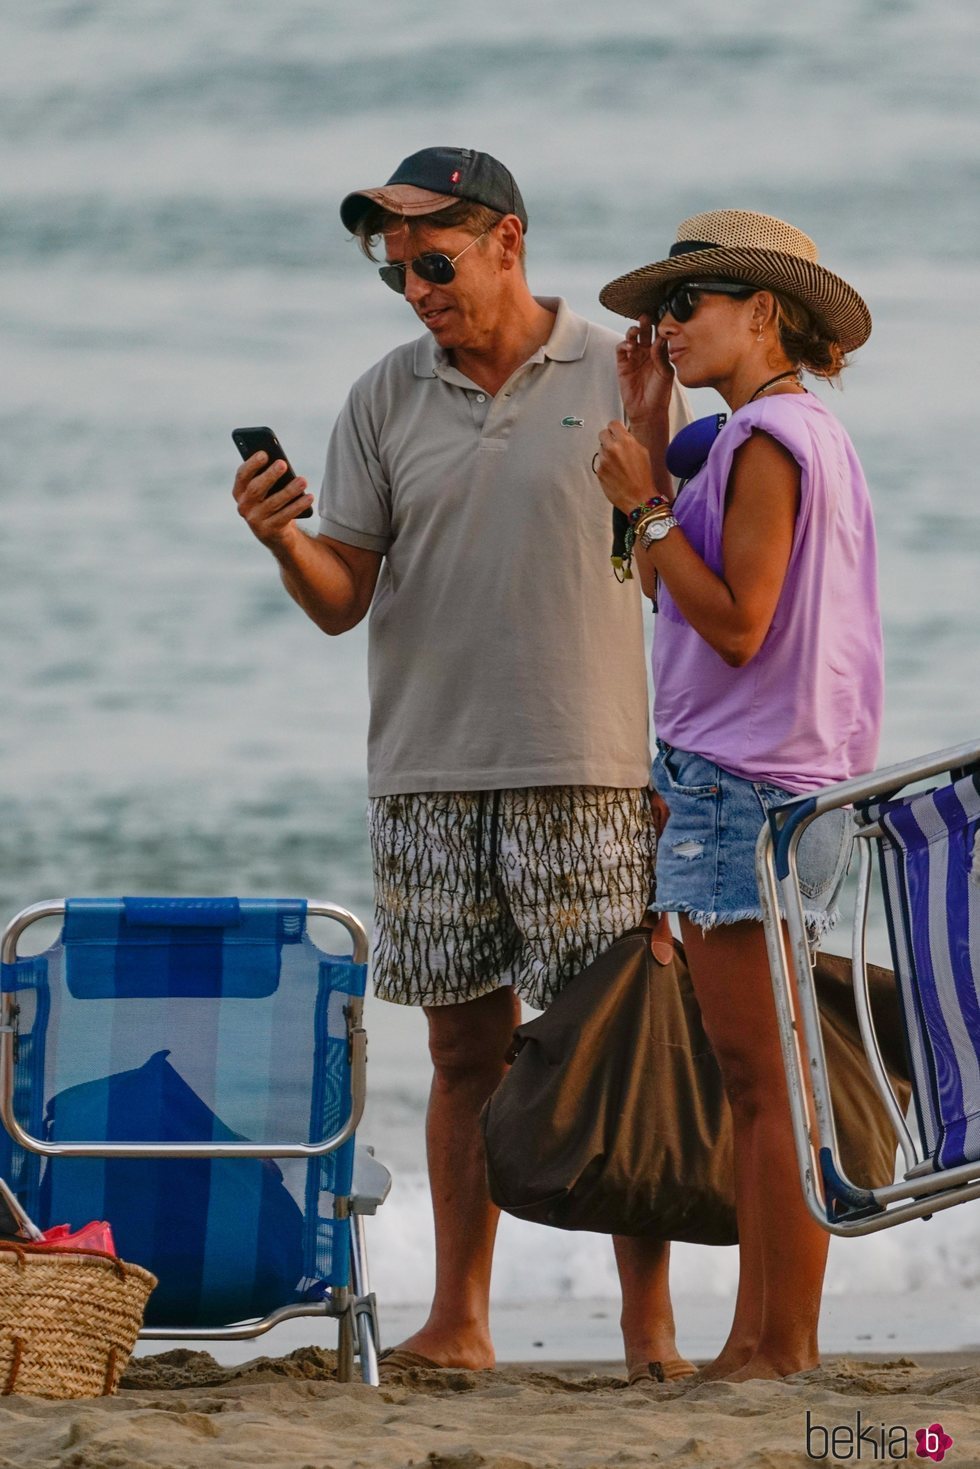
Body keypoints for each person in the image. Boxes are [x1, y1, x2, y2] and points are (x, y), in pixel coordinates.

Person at [232, 146, 692, 1378]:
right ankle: (462, 1317)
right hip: (427, 776)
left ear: (507, 241)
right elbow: (343, 600)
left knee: (608, 1048)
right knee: (460, 1057)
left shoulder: (624, 370)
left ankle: (647, 1328)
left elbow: (684, 585)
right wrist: (285, 539)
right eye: (396, 273)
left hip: (589, 768)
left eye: (433, 261)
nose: (416, 288)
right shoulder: (383, 396)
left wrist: (680, 768)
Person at [592, 209, 883, 1381]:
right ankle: (771, 1341)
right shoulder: (794, 434)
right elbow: (699, 610)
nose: (663, 326)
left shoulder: (763, 437)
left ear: (763, 309)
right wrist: (652, 447)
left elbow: (734, 619)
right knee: (774, 1080)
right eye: (658, 308)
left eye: (685, 304)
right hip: (796, 782)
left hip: (740, 787)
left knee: (761, 1086)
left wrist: (642, 503)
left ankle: (774, 1348)